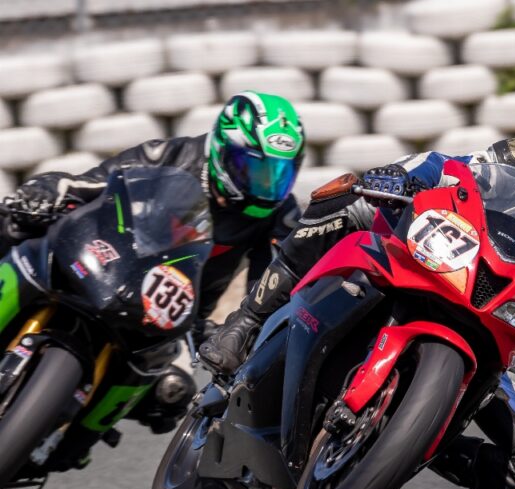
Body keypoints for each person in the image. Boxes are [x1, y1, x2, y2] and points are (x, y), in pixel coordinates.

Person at [200, 76, 515, 489]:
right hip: (442, 267)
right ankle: (247, 322)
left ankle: (410, 438)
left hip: (503, 350)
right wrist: (401, 176)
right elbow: (453, 170)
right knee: (350, 200)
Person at [1, 91, 304, 438]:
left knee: (172, 393)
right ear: (223, 150)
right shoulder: (173, 155)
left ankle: (74, 440)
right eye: (254, 169)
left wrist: (242, 329)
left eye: (279, 174)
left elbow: (273, 282)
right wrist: (50, 189)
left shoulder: (280, 214)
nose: (266, 186)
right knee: (14, 224)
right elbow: (95, 181)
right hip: (111, 261)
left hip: (176, 313)